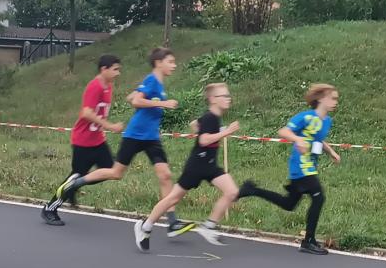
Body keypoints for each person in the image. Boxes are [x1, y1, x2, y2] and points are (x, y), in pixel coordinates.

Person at [52, 47, 187, 234]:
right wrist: (163, 103)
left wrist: (137, 94)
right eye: (170, 62)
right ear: (158, 63)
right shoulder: (152, 80)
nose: (174, 65)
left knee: (165, 175)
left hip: (151, 138)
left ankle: (172, 222)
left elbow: (132, 97)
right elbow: (136, 101)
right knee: (115, 173)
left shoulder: (155, 82)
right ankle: (75, 184)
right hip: (134, 135)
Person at [134, 83, 241, 251]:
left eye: (228, 95)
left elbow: (194, 124)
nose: (228, 99)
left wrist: (211, 130)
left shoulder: (212, 117)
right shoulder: (210, 118)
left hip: (210, 165)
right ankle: (145, 227)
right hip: (197, 165)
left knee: (232, 192)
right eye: (224, 96)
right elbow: (203, 140)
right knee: (173, 198)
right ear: (213, 99)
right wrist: (227, 131)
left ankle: (209, 226)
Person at [238, 84, 341, 255]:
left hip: (310, 165)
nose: (335, 102)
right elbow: (284, 131)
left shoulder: (326, 120)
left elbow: (317, 139)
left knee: (289, 204)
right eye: (333, 98)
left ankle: (252, 190)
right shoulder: (306, 117)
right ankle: (308, 241)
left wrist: (331, 152)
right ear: (321, 99)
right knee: (319, 197)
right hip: (301, 165)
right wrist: (297, 140)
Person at [41, 54, 124, 225]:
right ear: (104, 69)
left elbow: (100, 112)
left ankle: (75, 186)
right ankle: (50, 208)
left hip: (98, 140)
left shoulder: (109, 86)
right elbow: (86, 113)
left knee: (111, 170)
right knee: (75, 176)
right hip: (83, 141)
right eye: (115, 69)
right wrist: (110, 126)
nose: (118, 73)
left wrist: (103, 129)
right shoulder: (95, 86)